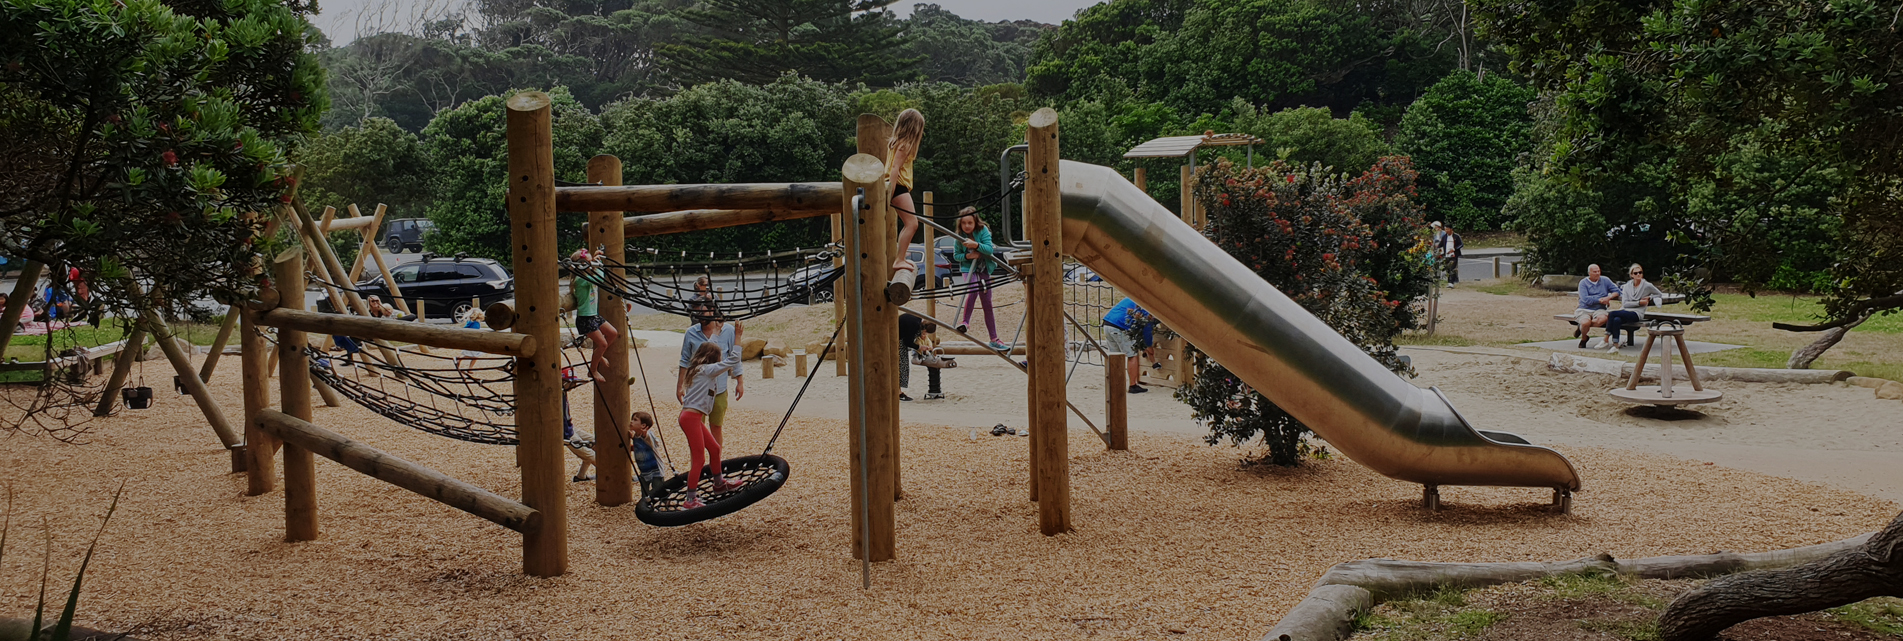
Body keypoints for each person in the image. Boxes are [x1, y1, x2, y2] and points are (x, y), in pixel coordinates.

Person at [677, 340, 744, 509]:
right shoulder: (705, 370)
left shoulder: (699, 370)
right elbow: (733, 360)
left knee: (714, 449)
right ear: (712, 358)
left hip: (693, 416)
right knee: (699, 459)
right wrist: (737, 337)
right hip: (690, 418)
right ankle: (690, 499)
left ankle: (719, 484)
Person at [679, 313, 743, 444]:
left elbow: (709, 348)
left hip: (692, 411)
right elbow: (734, 358)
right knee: (699, 448)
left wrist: (716, 332)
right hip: (695, 411)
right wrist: (738, 336)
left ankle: (713, 462)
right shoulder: (710, 370)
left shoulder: (699, 367)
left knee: (712, 441)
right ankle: (705, 463)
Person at [952, 207, 1007, 351]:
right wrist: (967, 256)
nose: (967, 226)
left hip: (984, 269)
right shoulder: (959, 236)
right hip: (968, 269)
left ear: (975, 222)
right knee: (973, 289)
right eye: (964, 223)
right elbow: (956, 255)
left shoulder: (983, 231)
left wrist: (976, 245)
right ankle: (965, 322)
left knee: (987, 303)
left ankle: (994, 338)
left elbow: (989, 249)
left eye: (970, 223)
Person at [570, 249, 619, 384]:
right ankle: (593, 369)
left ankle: (599, 355)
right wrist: (598, 266)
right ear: (580, 265)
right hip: (585, 319)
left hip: (593, 316)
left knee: (613, 333)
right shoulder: (581, 279)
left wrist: (597, 259)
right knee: (602, 344)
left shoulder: (586, 275)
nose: (591, 265)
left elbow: (595, 274)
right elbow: (599, 279)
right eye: (588, 262)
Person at [886, 108, 926, 271]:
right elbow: (895, 168)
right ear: (914, 128)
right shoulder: (905, 144)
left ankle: (900, 257)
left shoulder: (896, 142)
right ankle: (899, 259)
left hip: (897, 186)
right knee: (912, 224)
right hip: (897, 186)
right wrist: (891, 191)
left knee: (910, 223)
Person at [1604, 263, 1664, 351]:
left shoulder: (1647, 285)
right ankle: (1615, 344)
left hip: (1636, 313)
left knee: (1612, 313)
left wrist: (1649, 297)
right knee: (1616, 319)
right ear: (1632, 275)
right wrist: (1639, 302)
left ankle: (1605, 338)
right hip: (1625, 310)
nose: (1638, 274)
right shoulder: (1627, 286)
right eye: (1636, 273)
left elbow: (1659, 294)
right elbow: (1625, 304)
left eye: (1640, 272)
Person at [1102, 297, 1154, 394]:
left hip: (1108, 324)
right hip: (1120, 327)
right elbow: (1147, 327)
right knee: (1132, 355)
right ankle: (1133, 385)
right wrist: (1149, 346)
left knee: (1115, 356)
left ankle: (1115, 384)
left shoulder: (1131, 296)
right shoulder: (1146, 305)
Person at [1573, 264, 1620, 348]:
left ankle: (1582, 328)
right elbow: (1585, 299)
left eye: (1598, 271)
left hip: (1600, 309)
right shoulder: (1583, 283)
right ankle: (1584, 338)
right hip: (1584, 308)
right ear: (1589, 273)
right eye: (1595, 272)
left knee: (1603, 319)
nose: (1597, 273)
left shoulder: (1605, 280)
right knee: (1585, 322)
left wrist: (1609, 297)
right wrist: (1600, 300)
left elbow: (1617, 291)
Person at [628, 411, 666, 497]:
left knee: (658, 490)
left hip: (656, 470)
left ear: (643, 426)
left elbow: (649, 440)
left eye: (635, 420)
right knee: (644, 491)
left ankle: (660, 503)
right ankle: (646, 505)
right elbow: (639, 447)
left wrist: (645, 434)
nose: (631, 422)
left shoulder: (648, 435)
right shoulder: (636, 437)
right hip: (644, 470)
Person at [914, 321, 953, 400]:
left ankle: (935, 389)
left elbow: (929, 343)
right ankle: (934, 389)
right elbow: (917, 344)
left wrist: (929, 347)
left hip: (926, 353)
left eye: (926, 334)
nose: (924, 336)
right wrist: (922, 348)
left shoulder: (926, 338)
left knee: (931, 359)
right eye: (924, 334)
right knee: (919, 360)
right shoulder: (918, 338)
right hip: (919, 353)